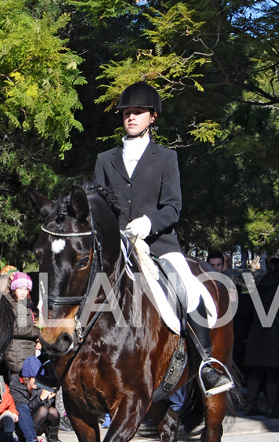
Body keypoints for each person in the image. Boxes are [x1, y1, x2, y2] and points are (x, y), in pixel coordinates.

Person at [93, 82, 233, 397]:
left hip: (159, 245)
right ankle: (56, 359)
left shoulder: (166, 158)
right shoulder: (105, 159)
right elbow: (97, 204)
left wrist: (148, 222)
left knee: (188, 290)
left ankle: (206, 364)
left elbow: (173, 207)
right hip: (116, 248)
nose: (131, 117)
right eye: (127, 113)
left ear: (152, 117)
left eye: (138, 112)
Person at [244, 257, 279, 418]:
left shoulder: (260, 286)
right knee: (274, 372)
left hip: (257, 332)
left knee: (256, 370)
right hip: (276, 335)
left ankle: (251, 404)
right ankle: (273, 407)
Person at [8, 356, 63, 442]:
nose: (38, 383)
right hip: (23, 426)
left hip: (37, 422)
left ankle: (53, 439)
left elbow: (44, 405)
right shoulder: (15, 386)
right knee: (38, 409)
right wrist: (41, 398)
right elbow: (24, 410)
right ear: (26, 377)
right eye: (35, 379)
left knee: (52, 411)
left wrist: (48, 398)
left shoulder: (38, 384)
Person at [4, 271, 41, 378]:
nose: (23, 292)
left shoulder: (24, 303)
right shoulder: (11, 304)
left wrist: (38, 338)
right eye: (20, 288)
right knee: (19, 387)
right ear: (14, 288)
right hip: (17, 353)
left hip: (26, 350)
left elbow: (27, 326)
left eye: (26, 289)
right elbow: (17, 329)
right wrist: (39, 332)